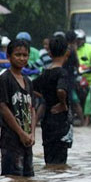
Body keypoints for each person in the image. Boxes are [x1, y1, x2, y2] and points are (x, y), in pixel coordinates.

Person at [0, 39, 36, 176]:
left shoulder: (28, 82)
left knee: (27, 181)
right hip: (11, 140)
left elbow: (32, 109)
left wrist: (32, 134)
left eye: (25, 55)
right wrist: (21, 133)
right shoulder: (5, 79)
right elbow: (3, 107)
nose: (21, 58)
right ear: (8, 56)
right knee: (12, 180)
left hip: (27, 141)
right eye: (18, 55)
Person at [33, 36, 73, 165]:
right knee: (60, 163)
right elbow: (61, 90)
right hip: (60, 121)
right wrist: (62, 104)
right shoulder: (62, 73)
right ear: (66, 52)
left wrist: (43, 96)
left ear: (50, 53)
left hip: (47, 121)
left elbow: (30, 87)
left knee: (49, 161)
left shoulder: (45, 73)